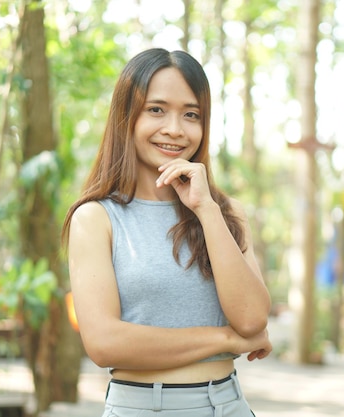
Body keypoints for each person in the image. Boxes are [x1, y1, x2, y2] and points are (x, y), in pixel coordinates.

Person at [61, 48, 272, 417]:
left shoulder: (226, 213)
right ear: (127, 117)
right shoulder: (96, 218)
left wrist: (206, 209)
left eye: (191, 115)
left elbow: (253, 319)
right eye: (156, 110)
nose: (175, 129)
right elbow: (104, 343)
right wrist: (224, 339)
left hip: (228, 405)